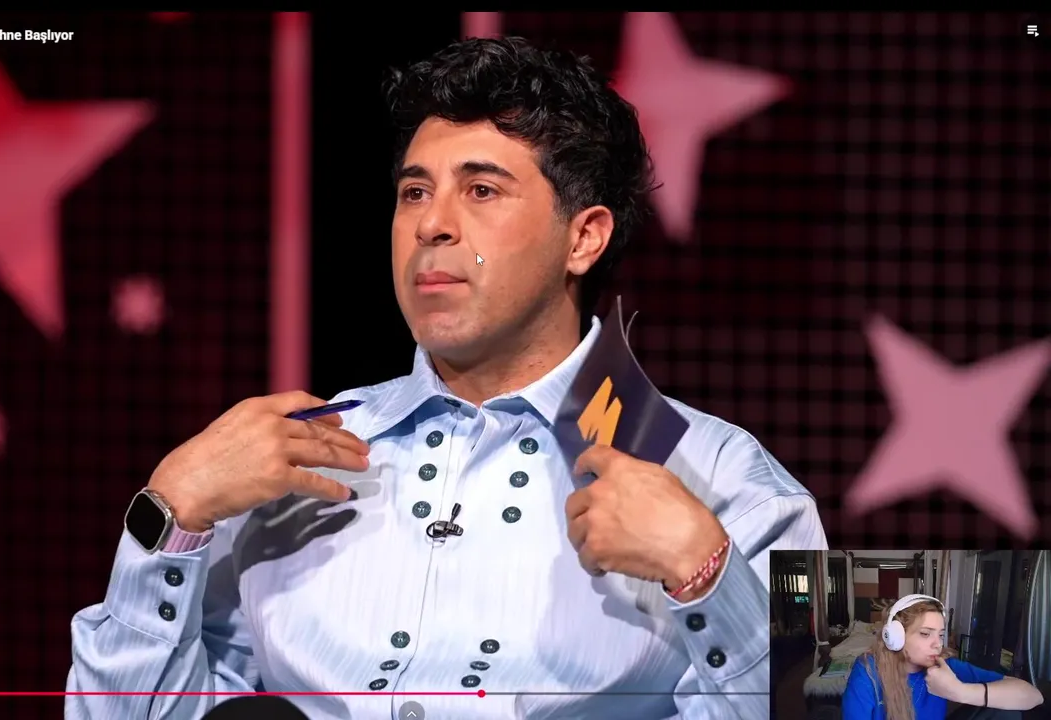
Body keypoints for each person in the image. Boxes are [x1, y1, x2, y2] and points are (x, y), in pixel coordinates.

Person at [67, 36, 828, 720]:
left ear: (584, 239)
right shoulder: (288, 460)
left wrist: (707, 574)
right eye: (415, 192)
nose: (431, 224)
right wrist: (168, 515)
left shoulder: (733, 482)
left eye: (481, 189)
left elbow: (837, 707)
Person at [842, 594, 1044, 719]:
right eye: (925, 634)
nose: (938, 644)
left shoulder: (945, 666)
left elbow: (1034, 696)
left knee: (1005, 710)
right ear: (895, 637)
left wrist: (960, 691)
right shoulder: (868, 672)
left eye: (940, 634)